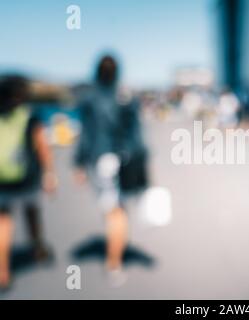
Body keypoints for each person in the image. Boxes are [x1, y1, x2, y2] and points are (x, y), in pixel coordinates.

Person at [74, 55, 148, 287]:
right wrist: (142, 163)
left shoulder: (89, 99)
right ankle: (115, 260)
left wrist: (79, 164)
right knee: (119, 210)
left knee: (112, 211)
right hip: (124, 159)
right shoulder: (126, 97)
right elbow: (137, 135)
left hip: (100, 160)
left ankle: (113, 260)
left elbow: (85, 135)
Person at [0, 75, 57, 290]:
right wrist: (50, 174)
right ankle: (38, 248)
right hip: (27, 178)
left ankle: (3, 272)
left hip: (2, 178)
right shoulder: (30, 116)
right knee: (31, 212)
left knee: (3, 221)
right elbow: (42, 146)